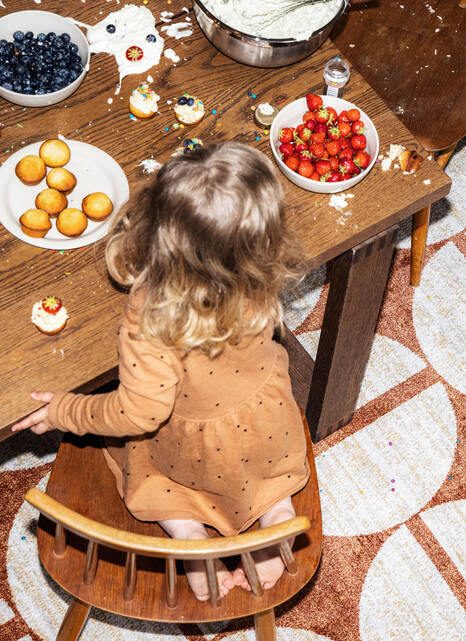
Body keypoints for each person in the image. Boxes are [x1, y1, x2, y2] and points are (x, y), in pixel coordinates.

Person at [13, 142, 310, 601]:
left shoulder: (148, 315)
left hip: (189, 448)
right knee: (269, 476)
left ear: (156, 231)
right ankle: (276, 514)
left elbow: (139, 415)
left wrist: (64, 411)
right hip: (264, 425)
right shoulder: (260, 273)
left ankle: (190, 538)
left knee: (153, 477)